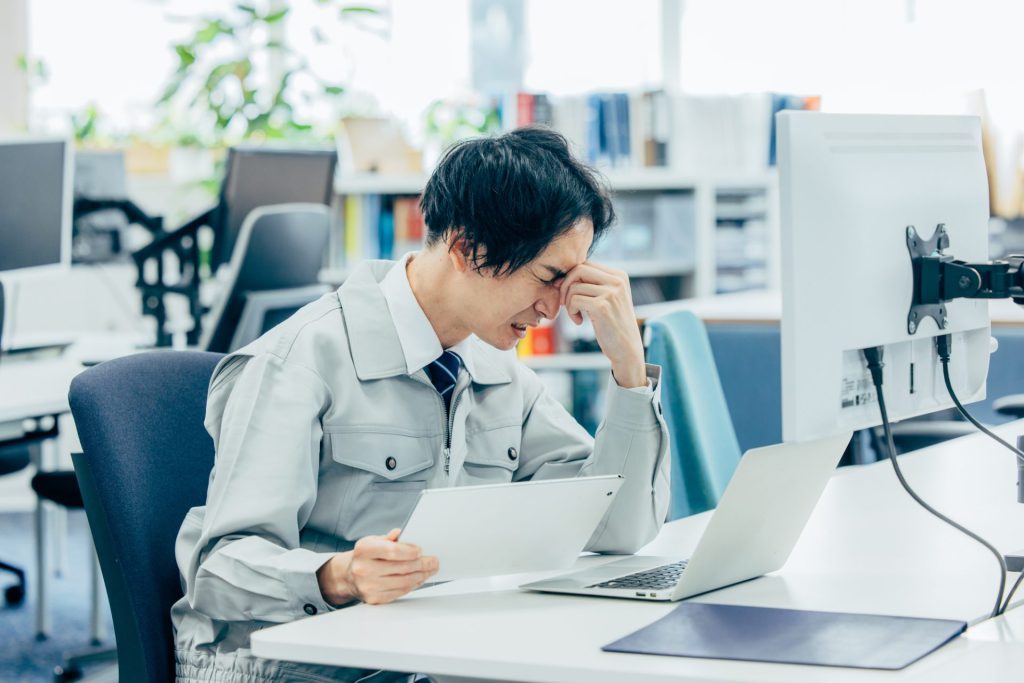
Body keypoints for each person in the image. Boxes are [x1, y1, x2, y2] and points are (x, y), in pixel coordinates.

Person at [171, 126, 671, 682]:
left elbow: (615, 529)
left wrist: (629, 371)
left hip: (424, 655)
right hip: (287, 668)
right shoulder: (299, 361)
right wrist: (336, 575)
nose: (556, 307)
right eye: (549, 277)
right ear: (466, 249)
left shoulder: (495, 369)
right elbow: (218, 570)